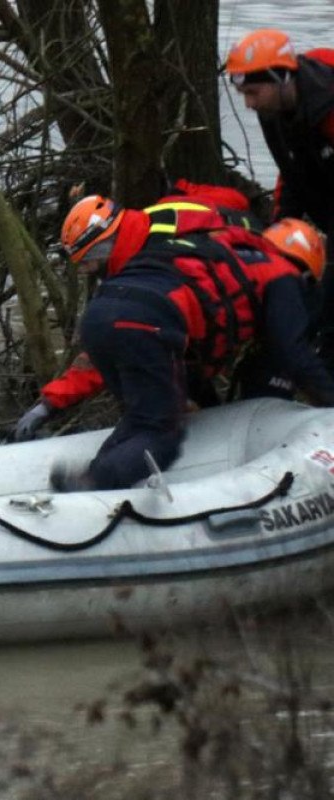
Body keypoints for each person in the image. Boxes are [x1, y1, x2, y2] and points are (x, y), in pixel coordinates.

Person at [27, 196, 334, 491]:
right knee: (160, 432)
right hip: (151, 323)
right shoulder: (279, 273)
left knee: (140, 419)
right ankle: (95, 486)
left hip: (100, 316)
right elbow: (294, 355)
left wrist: (49, 402)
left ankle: (94, 481)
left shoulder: (203, 252)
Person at [226, 28, 334, 351]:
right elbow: (290, 168)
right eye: (244, 94)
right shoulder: (272, 110)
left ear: (281, 77)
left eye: (254, 92)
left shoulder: (327, 107)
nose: (248, 103)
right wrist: (280, 224)